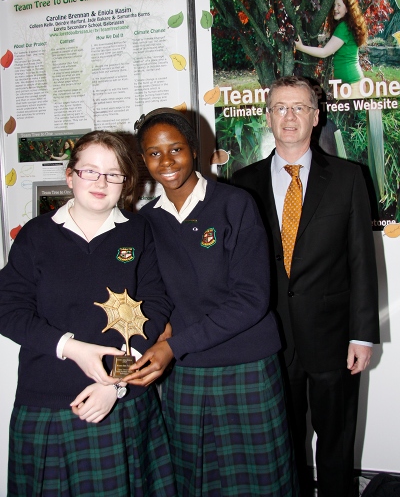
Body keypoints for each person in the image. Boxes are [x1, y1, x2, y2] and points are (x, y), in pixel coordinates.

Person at [125, 108, 299, 496]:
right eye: (154, 153)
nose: (166, 161)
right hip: (186, 374)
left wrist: (173, 345)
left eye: (176, 149)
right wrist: (157, 334)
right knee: (195, 481)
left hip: (246, 366)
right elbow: (154, 296)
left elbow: (252, 300)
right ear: (143, 160)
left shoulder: (235, 204)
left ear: (195, 149)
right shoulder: (145, 222)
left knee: (262, 482)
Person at [0, 130, 177, 497]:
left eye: (114, 173)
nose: (101, 182)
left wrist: (115, 382)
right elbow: (8, 309)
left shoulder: (139, 232)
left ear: (125, 181)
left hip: (121, 404)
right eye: (90, 171)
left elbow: (155, 310)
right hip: (46, 405)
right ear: (70, 176)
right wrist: (73, 348)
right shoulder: (35, 236)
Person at [232, 76, 380, 497]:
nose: (290, 116)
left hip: (335, 338)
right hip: (270, 338)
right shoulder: (242, 184)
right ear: (268, 117)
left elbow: (361, 262)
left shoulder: (349, 178)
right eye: (281, 107)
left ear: (316, 117)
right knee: (282, 442)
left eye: (299, 107)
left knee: (336, 441)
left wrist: (362, 334)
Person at [295, 0, 368, 98]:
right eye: (334, 5)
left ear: (347, 8)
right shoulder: (346, 25)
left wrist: (301, 47)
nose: (335, 9)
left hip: (352, 85)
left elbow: (325, 52)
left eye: (339, 5)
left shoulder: (344, 27)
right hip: (349, 84)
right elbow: (325, 38)